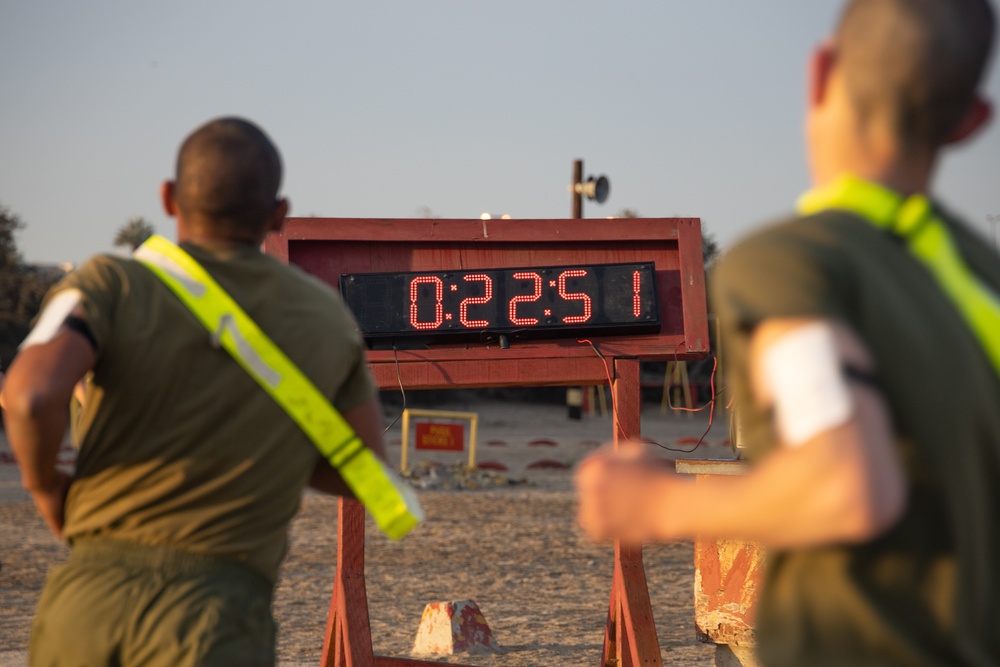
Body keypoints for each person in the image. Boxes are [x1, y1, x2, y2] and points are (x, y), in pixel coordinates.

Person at [576, 1, 1000, 665]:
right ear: (971, 122)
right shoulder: (984, 277)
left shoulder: (789, 266)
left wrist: (657, 504)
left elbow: (846, 484)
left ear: (822, 73)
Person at [0, 117, 387, 666]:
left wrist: (45, 489)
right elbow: (364, 470)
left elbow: (31, 396)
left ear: (169, 198)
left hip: (85, 606)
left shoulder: (108, 283)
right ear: (279, 213)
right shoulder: (325, 318)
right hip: (216, 618)